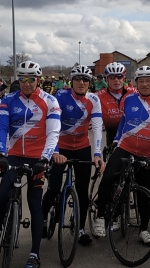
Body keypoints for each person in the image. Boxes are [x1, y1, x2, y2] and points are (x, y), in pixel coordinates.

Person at [0, 60, 61, 268]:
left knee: (34, 202)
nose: (27, 83)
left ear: (38, 80)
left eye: (31, 79)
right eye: (22, 79)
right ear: (17, 80)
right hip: (14, 156)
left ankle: (35, 253)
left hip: (37, 158)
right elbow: (1, 127)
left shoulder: (50, 101)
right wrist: (1, 153)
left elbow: (53, 132)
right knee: (3, 193)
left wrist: (45, 158)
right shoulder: (8, 100)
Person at [92, 66, 150, 245]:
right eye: (141, 81)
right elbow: (123, 122)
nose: (144, 84)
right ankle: (101, 217)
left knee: (147, 192)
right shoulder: (128, 99)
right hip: (125, 148)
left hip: (148, 154)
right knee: (107, 179)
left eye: (148, 80)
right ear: (136, 83)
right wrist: (116, 140)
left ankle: (143, 229)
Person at [41, 65, 103, 246]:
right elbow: (52, 125)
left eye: (85, 79)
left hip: (82, 146)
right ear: (71, 81)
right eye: (78, 79)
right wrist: (55, 151)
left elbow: (98, 127)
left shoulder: (94, 99)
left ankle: (81, 228)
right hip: (61, 146)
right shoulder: (60, 96)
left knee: (83, 192)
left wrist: (97, 153)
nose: (81, 82)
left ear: (90, 83)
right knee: (53, 188)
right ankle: (43, 219)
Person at [97, 62, 135, 145]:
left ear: (124, 78)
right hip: (112, 136)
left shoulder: (134, 93)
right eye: (112, 77)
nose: (116, 80)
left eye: (119, 76)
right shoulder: (98, 96)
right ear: (107, 79)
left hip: (132, 136)